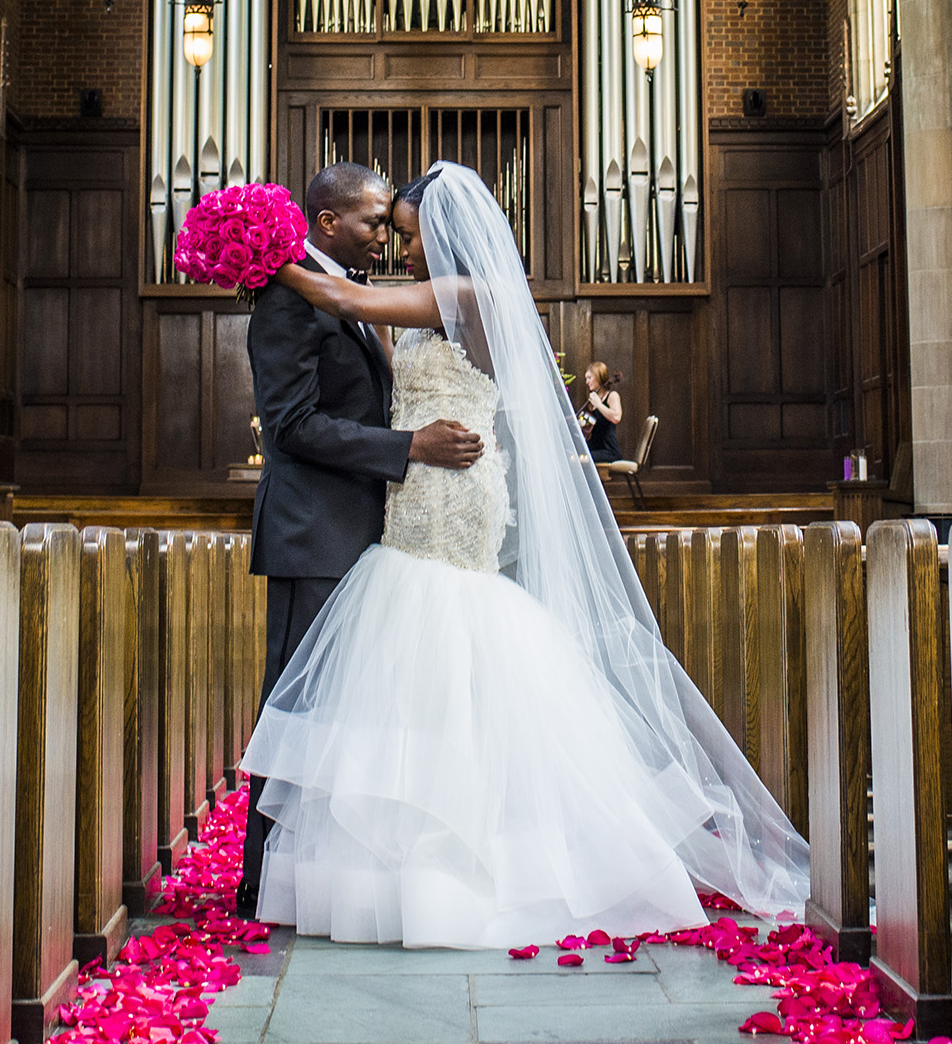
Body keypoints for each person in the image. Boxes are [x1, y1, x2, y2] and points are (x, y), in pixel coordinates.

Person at [236, 161, 809, 947]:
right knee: (416, 665)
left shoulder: (461, 296)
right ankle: (348, 864)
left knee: (429, 643)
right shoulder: (441, 304)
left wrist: (261, 252)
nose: (396, 249)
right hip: (419, 486)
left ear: (440, 237)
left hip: (445, 488)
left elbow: (343, 298)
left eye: (403, 235)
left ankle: (428, 861)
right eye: (385, 232)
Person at [237, 161, 487, 921]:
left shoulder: (352, 292)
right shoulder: (291, 299)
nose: (385, 236)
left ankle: (317, 874)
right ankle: (259, 882)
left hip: (371, 534)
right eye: (375, 221)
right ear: (327, 221)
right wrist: (406, 447)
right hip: (313, 535)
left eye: (393, 225)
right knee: (295, 713)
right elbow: (292, 426)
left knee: (346, 717)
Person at [578, 360, 626, 460]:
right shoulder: (593, 400)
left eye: (589, 378)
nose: (587, 382)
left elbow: (616, 417)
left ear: (599, 377)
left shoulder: (612, 396)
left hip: (608, 450)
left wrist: (599, 405)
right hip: (594, 448)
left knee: (583, 460)